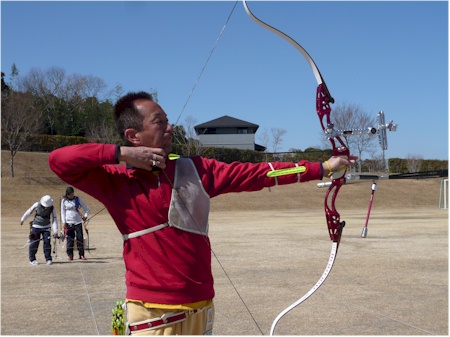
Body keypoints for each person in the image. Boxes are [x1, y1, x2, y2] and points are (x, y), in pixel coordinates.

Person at [49, 91, 357, 335]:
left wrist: (324, 167)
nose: (170, 128)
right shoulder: (115, 182)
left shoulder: (196, 170)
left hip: (201, 308)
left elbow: (262, 173)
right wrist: (120, 155)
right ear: (134, 135)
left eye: (168, 120)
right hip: (151, 313)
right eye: (159, 122)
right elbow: (59, 161)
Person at [20, 195, 58, 266]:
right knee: (34, 243)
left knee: (47, 242)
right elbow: (29, 212)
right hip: (36, 226)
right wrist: (22, 219)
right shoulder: (37, 205)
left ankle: (48, 258)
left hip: (47, 227)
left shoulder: (52, 208)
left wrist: (55, 230)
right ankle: (32, 259)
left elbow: (54, 219)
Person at [61, 186, 90, 261]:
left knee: (80, 238)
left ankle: (81, 255)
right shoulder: (64, 201)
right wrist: (63, 222)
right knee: (70, 239)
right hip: (68, 222)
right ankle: (70, 255)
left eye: (72, 193)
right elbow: (62, 212)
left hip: (78, 222)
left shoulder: (78, 199)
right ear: (67, 194)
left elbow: (86, 209)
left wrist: (85, 216)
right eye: (70, 194)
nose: (72, 195)